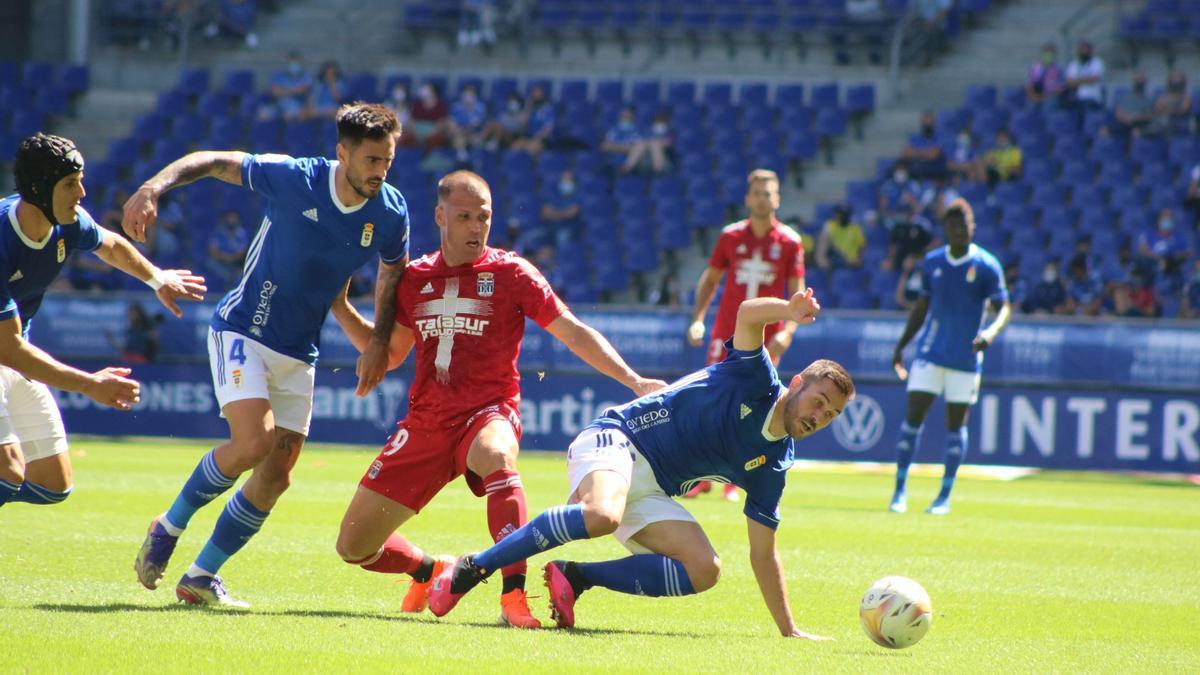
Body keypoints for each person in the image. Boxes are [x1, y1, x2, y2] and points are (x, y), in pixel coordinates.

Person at [327, 170, 666, 629]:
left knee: (496, 454)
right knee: (353, 547)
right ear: (440, 216)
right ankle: (429, 570)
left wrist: (633, 380)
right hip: (426, 421)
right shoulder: (414, 279)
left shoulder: (511, 273)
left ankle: (513, 596)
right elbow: (386, 355)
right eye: (464, 217)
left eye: (483, 217)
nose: (475, 227)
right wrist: (341, 307)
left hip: (488, 412)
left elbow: (572, 331)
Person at [425, 288, 853, 638]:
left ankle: (575, 578)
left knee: (705, 570)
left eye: (830, 415)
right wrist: (789, 311)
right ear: (796, 383)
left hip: (650, 486)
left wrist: (789, 631)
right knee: (602, 515)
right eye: (818, 402)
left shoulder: (775, 462)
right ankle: (474, 565)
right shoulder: (757, 379)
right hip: (620, 437)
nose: (819, 417)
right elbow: (747, 314)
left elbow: (764, 553)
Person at [128, 103, 411, 607]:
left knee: (277, 475)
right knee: (252, 443)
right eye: (371, 160)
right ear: (342, 153)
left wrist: (375, 343)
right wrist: (153, 187)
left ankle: (200, 577)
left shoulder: (390, 210)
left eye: (387, 160)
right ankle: (168, 525)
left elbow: (392, 273)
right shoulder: (294, 177)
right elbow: (213, 161)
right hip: (243, 328)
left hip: (299, 350)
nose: (380, 172)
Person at [0, 133, 205, 511]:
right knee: (9, 472)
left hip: (10, 357)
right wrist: (90, 384)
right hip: (7, 352)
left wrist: (157, 279)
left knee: (52, 485)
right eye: (69, 183)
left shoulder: (68, 222)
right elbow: (8, 348)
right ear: (38, 189)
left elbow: (110, 244)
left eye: (80, 178)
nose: (82, 191)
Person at [686, 169, 806, 502]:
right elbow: (710, 281)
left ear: (777, 199)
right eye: (756, 192)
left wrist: (789, 333)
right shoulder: (730, 237)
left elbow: (798, 295)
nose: (762, 199)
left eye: (768, 193)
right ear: (747, 198)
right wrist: (697, 319)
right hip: (726, 332)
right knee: (712, 400)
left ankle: (735, 480)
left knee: (754, 405)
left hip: (768, 337)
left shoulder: (790, 242)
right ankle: (700, 475)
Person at [888, 199, 1010, 515]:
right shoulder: (932, 263)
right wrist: (902, 345)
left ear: (973, 229)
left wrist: (991, 333)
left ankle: (944, 496)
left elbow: (1004, 307)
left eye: (964, 226)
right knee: (912, 421)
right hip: (929, 355)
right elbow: (921, 308)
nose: (958, 231)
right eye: (952, 225)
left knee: (955, 427)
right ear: (945, 229)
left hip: (965, 360)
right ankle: (899, 491)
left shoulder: (986, 266)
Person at [816, 204, 865, 270]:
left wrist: (858, 260)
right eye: (839, 214)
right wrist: (821, 259)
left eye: (844, 215)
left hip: (851, 263)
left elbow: (862, 248)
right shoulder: (830, 225)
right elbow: (823, 242)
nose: (841, 217)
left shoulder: (856, 228)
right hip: (834, 260)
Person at [1106, 71, 1154, 138]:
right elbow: (1118, 112)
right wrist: (1126, 118)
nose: (1139, 82)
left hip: (1139, 124)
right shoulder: (1126, 97)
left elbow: (1149, 116)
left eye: (1141, 80)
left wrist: (1134, 118)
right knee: (1106, 129)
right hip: (1124, 123)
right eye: (1138, 79)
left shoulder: (1148, 100)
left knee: (1138, 131)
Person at [1063, 40, 1104, 111]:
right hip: (1075, 98)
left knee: (1085, 107)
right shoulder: (1074, 64)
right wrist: (1085, 80)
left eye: (1086, 50)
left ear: (1090, 51)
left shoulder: (1097, 62)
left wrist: (1076, 81)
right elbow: (1069, 83)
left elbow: (1093, 80)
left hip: (1092, 98)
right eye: (1082, 50)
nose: (1084, 52)